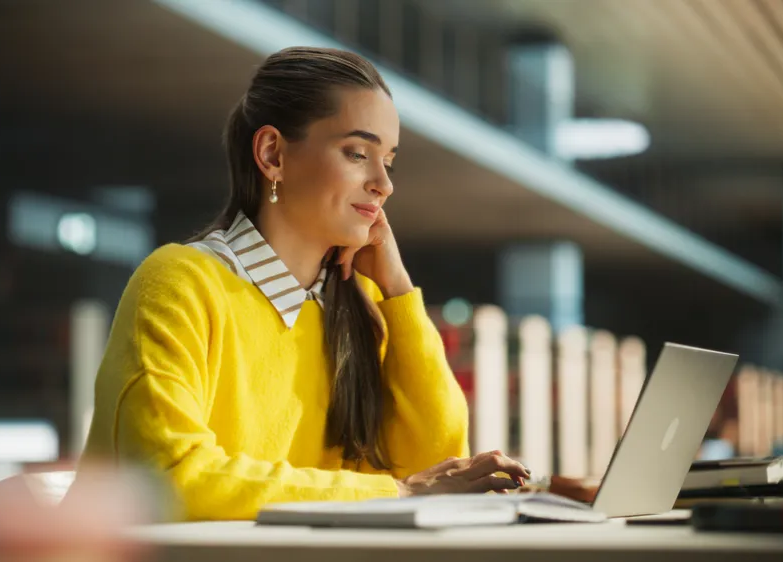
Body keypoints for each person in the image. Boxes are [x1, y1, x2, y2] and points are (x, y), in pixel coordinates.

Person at [80, 46, 529, 521]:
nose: (384, 183)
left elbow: (434, 470)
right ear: (273, 154)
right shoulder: (180, 282)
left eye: (388, 161)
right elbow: (168, 477)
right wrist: (395, 495)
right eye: (358, 153)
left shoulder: (361, 304)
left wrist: (398, 292)